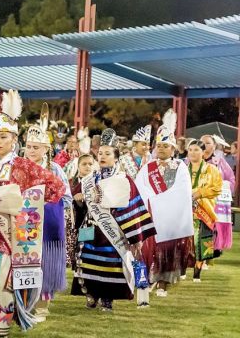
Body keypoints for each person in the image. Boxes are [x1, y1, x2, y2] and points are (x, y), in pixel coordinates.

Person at [0, 92, 65, 338]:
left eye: (3, 137)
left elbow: (55, 188)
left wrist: (27, 205)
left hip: (12, 237)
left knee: (0, 276)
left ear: (13, 139)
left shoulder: (24, 166)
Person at [71, 129, 156, 313]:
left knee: (110, 265)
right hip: (91, 229)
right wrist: (78, 200)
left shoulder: (124, 180)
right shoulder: (89, 179)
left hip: (112, 233)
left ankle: (107, 298)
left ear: (116, 157)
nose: (102, 156)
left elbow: (132, 208)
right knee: (87, 262)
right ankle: (91, 294)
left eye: (107, 153)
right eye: (100, 153)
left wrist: (136, 237)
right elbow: (76, 199)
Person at [134, 111, 194, 299]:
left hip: (170, 215)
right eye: (159, 145)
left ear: (173, 149)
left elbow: (183, 190)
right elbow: (139, 187)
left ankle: (163, 282)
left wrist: (163, 200)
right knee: (148, 248)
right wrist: (152, 199)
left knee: (168, 249)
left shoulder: (180, 166)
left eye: (165, 146)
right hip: (151, 213)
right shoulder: (148, 167)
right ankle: (149, 278)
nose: (161, 149)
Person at [21, 104, 72, 318]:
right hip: (23, 224)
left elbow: (67, 197)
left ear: (46, 149)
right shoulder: (18, 167)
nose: (31, 151)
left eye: (36, 147)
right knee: (25, 263)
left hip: (49, 224)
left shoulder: (55, 170)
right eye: (28, 146)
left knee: (46, 263)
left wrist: (45, 202)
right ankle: (24, 304)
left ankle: (42, 305)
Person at [186, 139, 223, 282]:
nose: (193, 153)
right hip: (184, 210)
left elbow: (217, 188)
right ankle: (182, 268)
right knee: (185, 241)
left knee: (200, 241)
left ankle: (197, 271)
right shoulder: (182, 169)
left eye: (196, 150)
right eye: (190, 150)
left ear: (203, 152)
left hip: (204, 210)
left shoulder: (211, 169)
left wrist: (199, 192)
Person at [201, 134, 235, 253]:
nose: (204, 145)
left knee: (212, 225)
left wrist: (221, 185)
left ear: (214, 146)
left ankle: (214, 246)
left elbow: (231, 180)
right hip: (197, 202)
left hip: (214, 201)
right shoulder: (191, 160)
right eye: (202, 142)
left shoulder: (219, 162)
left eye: (208, 142)